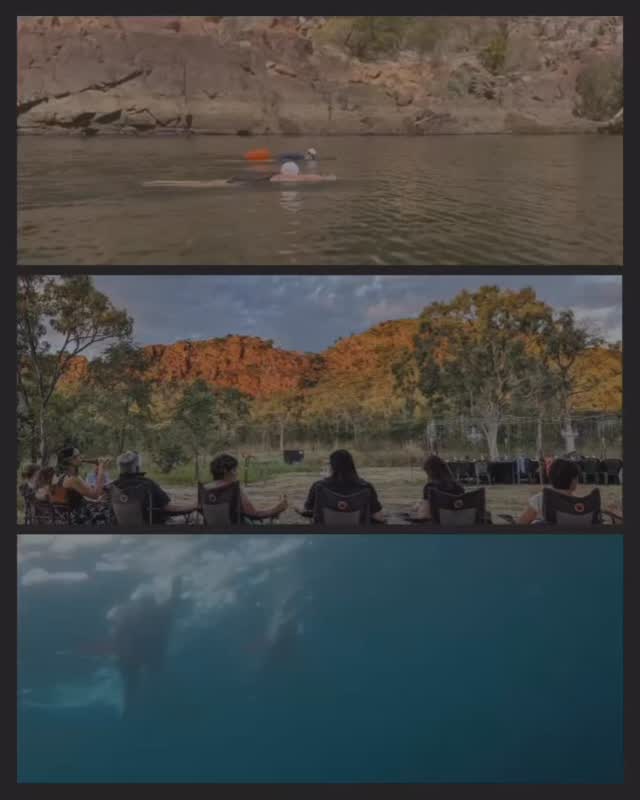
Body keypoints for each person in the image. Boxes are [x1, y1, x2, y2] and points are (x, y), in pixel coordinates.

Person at [297, 449, 385, 522]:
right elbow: (378, 517)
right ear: (351, 466)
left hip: (325, 538)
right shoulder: (366, 487)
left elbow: (307, 511)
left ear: (332, 467)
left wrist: (297, 508)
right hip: (358, 538)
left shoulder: (318, 486)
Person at [111, 451, 194, 524]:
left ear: (120, 468)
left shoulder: (113, 487)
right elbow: (168, 507)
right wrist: (193, 506)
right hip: (152, 529)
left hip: (122, 531)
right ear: (137, 467)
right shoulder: (147, 484)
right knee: (193, 520)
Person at [203, 454, 287, 521]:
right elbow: (254, 515)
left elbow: (196, 508)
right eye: (234, 470)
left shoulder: (204, 490)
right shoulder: (232, 489)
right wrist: (276, 509)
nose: (237, 473)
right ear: (225, 471)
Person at [518, 458, 588, 525]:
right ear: (573, 481)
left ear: (551, 477)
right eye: (576, 478)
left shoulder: (540, 499)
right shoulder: (580, 505)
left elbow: (521, 524)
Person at [54, 447, 113, 525]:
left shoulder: (61, 476)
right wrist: (101, 468)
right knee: (112, 512)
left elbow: (74, 498)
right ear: (70, 460)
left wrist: (94, 501)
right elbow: (95, 494)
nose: (81, 457)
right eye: (78, 456)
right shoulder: (73, 478)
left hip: (69, 515)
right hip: (80, 517)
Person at [411, 455, 465, 521]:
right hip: (457, 524)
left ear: (430, 471)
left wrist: (419, 508)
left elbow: (424, 516)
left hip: (437, 527)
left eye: (427, 472)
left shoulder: (431, 487)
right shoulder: (459, 487)